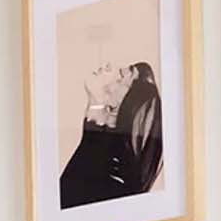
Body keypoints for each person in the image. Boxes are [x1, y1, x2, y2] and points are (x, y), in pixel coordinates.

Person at [59, 60, 164, 208]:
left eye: (121, 78)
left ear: (128, 101)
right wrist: (96, 100)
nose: (114, 73)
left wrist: (97, 100)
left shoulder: (114, 178)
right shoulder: (103, 157)